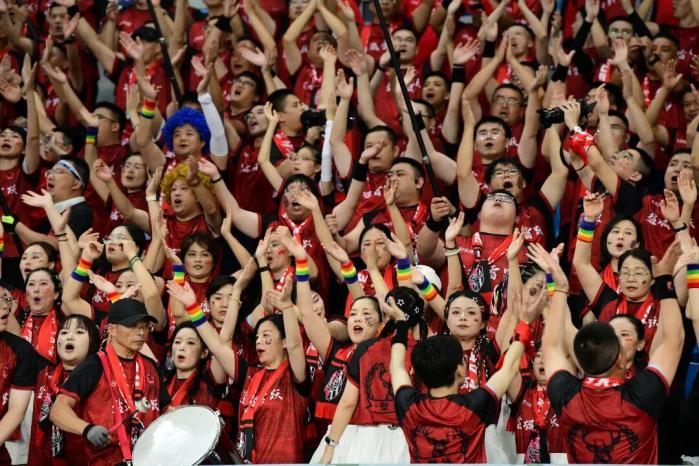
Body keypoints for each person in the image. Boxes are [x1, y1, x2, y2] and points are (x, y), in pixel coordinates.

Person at [539, 238, 685, 464]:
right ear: (619, 358)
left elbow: (550, 346)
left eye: (623, 334)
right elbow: (674, 341)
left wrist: (557, 288)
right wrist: (665, 278)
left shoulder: (565, 394)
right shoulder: (645, 395)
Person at [389, 296, 530, 463]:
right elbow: (510, 367)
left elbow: (397, 366)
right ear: (460, 370)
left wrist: (401, 322)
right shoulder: (476, 405)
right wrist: (525, 322)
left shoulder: (408, 405)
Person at [49, 299, 167, 466]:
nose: (140, 332)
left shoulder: (150, 366)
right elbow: (57, 411)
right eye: (132, 325)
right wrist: (86, 429)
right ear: (112, 329)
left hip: (150, 459)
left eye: (144, 326)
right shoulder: (93, 365)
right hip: (108, 461)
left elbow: (166, 407)